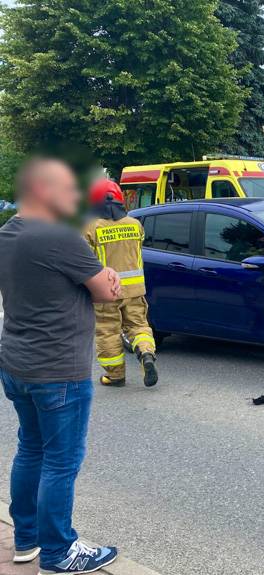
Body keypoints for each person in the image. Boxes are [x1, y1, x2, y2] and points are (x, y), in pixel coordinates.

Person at [0, 158, 120, 574]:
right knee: (61, 461)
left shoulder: (8, 233)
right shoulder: (60, 238)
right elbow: (105, 291)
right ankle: (58, 550)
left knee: (30, 448)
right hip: (57, 367)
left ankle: (26, 540)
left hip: (17, 363)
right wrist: (105, 274)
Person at [83, 179, 158, 388]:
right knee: (139, 326)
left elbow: (84, 262)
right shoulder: (135, 225)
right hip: (135, 290)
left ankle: (115, 376)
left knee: (108, 331)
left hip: (106, 292)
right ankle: (146, 352)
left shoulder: (91, 228)